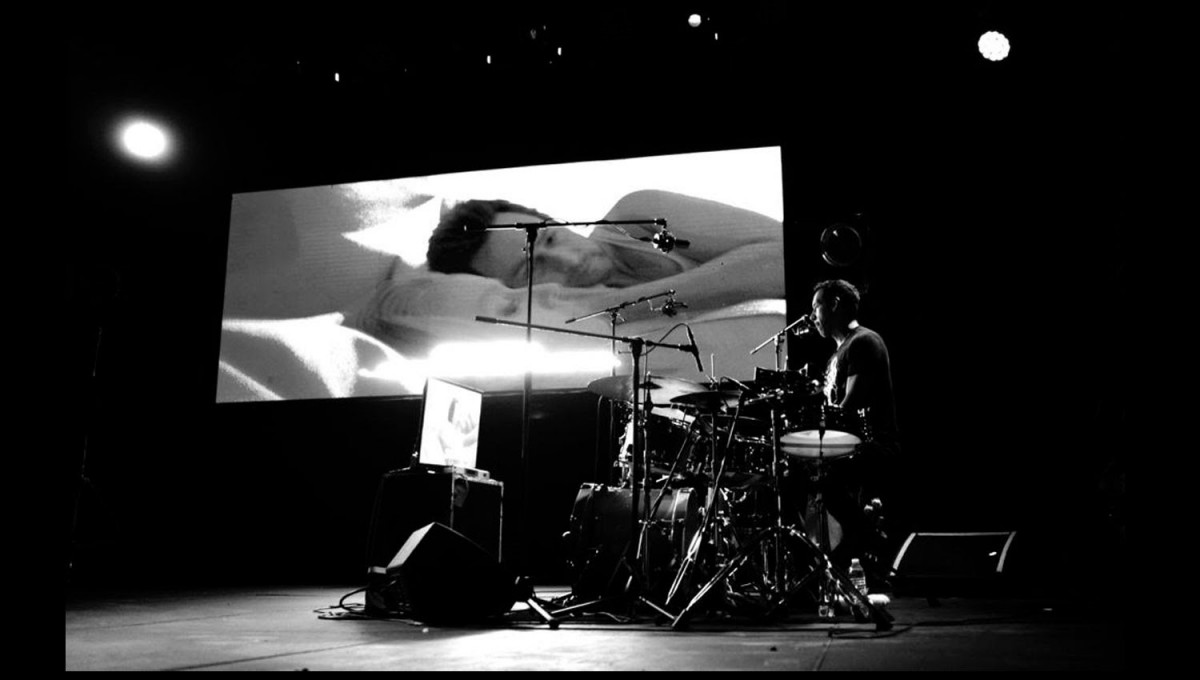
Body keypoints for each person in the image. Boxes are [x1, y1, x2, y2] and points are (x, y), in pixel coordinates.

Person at [793, 278, 901, 588]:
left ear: (835, 304)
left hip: (872, 445)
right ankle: (850, 549)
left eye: (816, 307)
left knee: (813, 477)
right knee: (801, 473)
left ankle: (861, 542)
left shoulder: (863, 342)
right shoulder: (838, 353)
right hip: (852, 446)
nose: (812, 316)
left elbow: (848, 407)